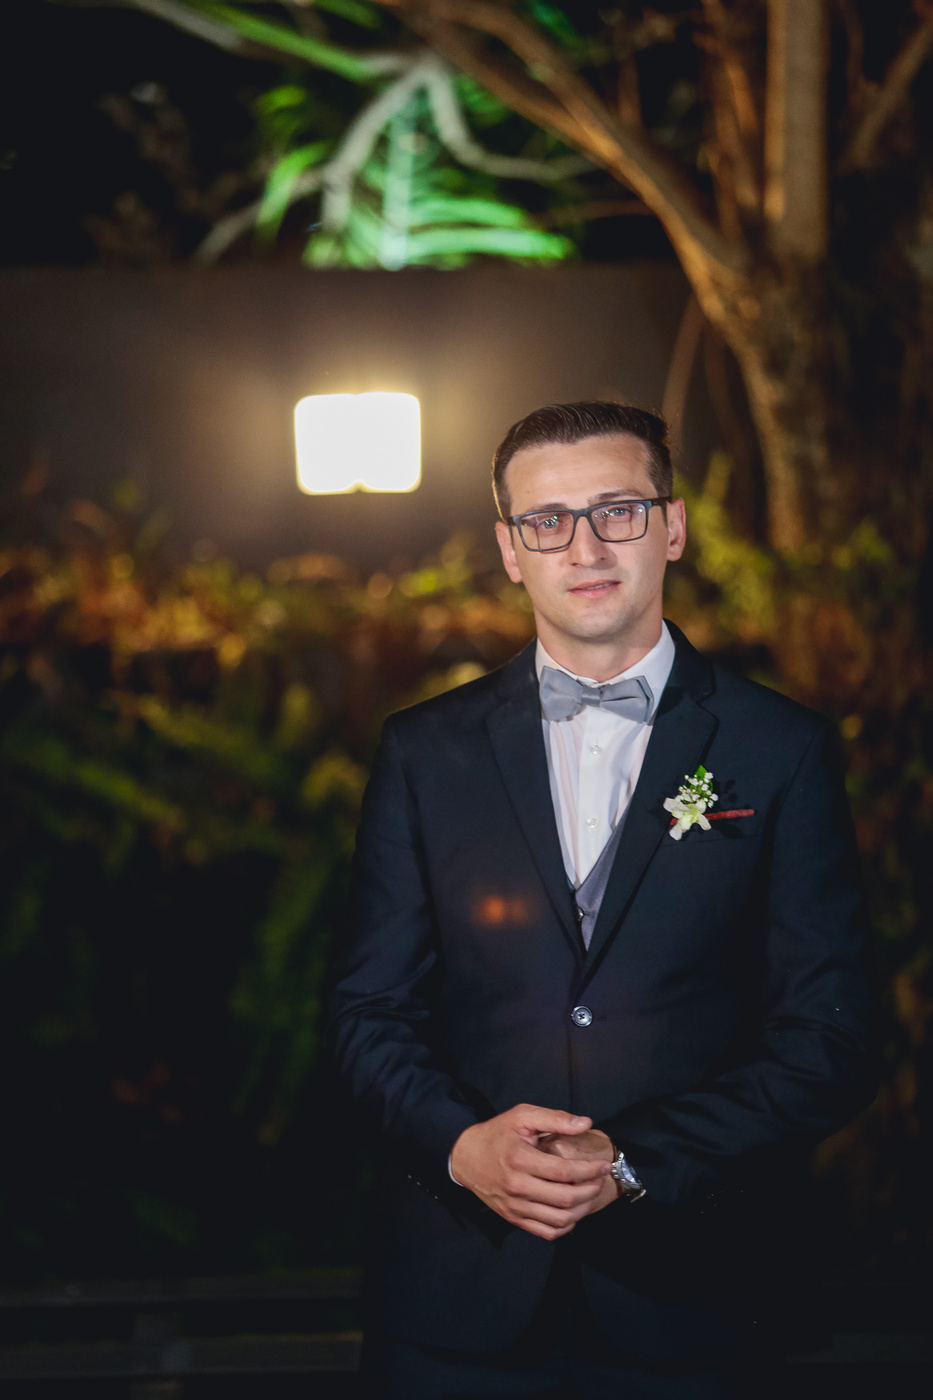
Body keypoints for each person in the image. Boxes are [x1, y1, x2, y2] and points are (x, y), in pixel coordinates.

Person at [329, 402, 874, 1399]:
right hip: (455, 1308)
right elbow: (367, 1013)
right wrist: (460, 1145)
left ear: (673, 528)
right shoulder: (423, 751)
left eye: (617, 510)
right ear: (510, 549)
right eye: (547, 520)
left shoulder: (781, 749)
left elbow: (830, 1038)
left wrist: (634, 1160)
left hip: (697, 1305)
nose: (584, 547)